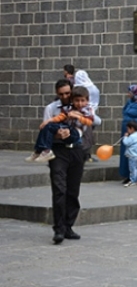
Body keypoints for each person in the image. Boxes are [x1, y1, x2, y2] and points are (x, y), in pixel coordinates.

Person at [44, 79, 85, 244]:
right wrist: (56, 135)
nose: (65, 96)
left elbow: (94, 122)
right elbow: (44, 130)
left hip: (76, 150)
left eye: (67, 93)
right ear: (57, 94)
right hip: (58, 151)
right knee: (59, 189)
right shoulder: (51, 109)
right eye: (61, 94)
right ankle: (59, 229)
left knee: (73, 190)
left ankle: (68, 226)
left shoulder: (80, 106)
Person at [27, 86, 94, 163]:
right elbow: (61, 116)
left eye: (82, 101)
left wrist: (78, 116)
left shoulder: (87, 109)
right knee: (48, 126)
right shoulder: (69, 108)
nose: (79, 103)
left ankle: (45, 150)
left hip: (76, 132)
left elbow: (89, 122)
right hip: (67, 127)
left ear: (87, 100)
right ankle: (41, 150)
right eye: (77, 101)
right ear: (72, 100)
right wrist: (49, 120)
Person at [121, 121, 137, 187]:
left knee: (133, 169)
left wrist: (125, 137)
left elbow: (126, 142)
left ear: (132, 129)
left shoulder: (132, 137)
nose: (127, 130)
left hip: (132, 155)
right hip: (136, 155)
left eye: (128, 129)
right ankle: (135, 180)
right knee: (135, 168)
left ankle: (134, 181)